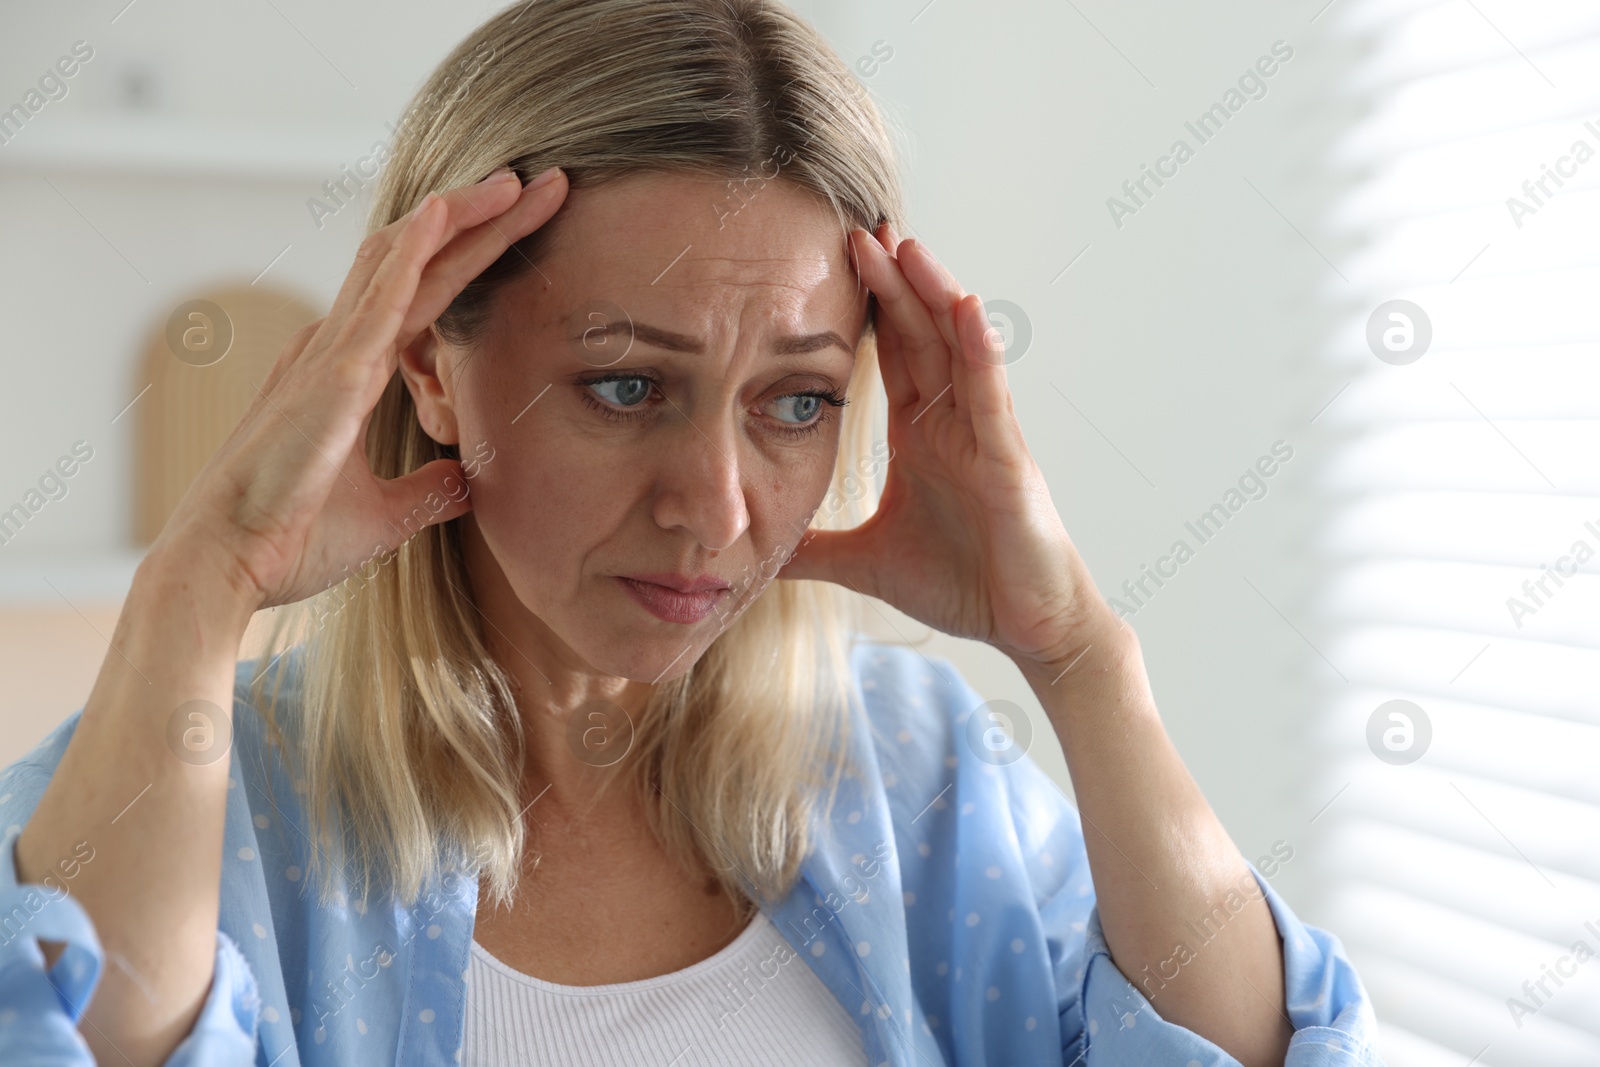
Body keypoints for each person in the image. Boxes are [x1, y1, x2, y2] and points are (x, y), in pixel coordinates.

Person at [0, 1, 1381, 1064]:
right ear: (427, 363)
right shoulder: (212, 792)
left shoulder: (916, 778)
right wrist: (201, 585)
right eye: (625, 384)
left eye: (797, 401)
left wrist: (1079, 655)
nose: (715, 509)